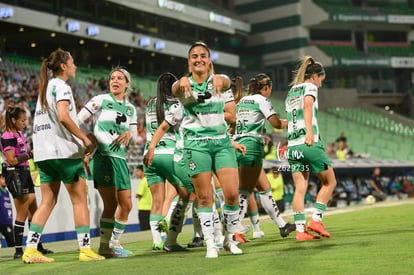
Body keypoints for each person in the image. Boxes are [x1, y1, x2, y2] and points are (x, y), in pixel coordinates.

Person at [22, 49, 104, 263]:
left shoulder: (45, 88)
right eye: (73, 62)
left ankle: (30, 250)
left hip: (43, 154)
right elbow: (63, 116)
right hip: (64, 153)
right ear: (63, 66)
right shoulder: (62, 87)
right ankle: (85, 249)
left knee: (47, 201)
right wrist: (84, 140)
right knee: (79, 201)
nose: (75, 66)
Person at [172, 41, 243, 258]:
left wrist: (222, 79)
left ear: (209, 60)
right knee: (204, 198)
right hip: (196, 145)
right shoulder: (183, 85)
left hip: (222, 143)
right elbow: (174, 89)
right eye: (194, 56)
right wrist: (182, 80)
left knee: (231, 195)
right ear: (189, 61)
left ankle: (229, 239)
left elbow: (229, 86)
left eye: (203, 55)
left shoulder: (219, 81)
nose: (199, 59)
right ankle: (211, 242)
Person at [78, 67, 137, 258]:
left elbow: (134, 138)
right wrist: (85, 139)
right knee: (111, 205)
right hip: (103, 158)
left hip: (120, 159)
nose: (115, 81)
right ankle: (105, 247)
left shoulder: (131, 109)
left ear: (127, 84)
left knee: (127, 205)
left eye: (120, 78)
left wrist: (129, 133)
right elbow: (78, 119)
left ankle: (114, 243)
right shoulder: (101, 100)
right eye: (112, 78)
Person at [233, 73, 295, 238]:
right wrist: (294, 122)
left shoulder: (242, 101)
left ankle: (282, 226)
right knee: (244, 192)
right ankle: (234, 230)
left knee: (264, 188)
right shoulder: (261, 100)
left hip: (238, 147)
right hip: (251, 147)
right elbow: (277, 124)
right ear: (266, 88)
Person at [285, 55, 337, 241]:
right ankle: (316, 220)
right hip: (309, 143)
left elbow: (290, 118)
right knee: (330, 182)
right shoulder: (310, 87)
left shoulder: (291, 92)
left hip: (293, 147)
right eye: (321, 78)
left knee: (300, 188)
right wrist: (309, 133)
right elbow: (307, 107)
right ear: (315, 76)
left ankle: (300, 231)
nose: (321, 83)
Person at [1, 107, 52, 259]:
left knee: (34, 211)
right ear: (13, 120)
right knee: (22, 212)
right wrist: (30, 154)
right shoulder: (8, 135)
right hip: (14, 174)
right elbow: (12, 160)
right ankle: (18, 250)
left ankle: (38, 246)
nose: (25, 123)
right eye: (22, 121)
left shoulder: (19, 133)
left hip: (24, 172)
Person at [143, 72, 185, 251]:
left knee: (156, 201)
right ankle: (168, 219)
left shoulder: (150, 103)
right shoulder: (176, 104)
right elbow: (168, 126)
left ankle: (156, 241)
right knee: (185, 190)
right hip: (168, 152)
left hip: (148, 156)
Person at [0, 156, 14, 247]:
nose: (5, 180)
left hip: (8, 221)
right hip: (2, 222)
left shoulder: (7, 192)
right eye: (2, 178)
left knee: (12, 243)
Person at [135, 165, 151, 231]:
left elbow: (138, 194)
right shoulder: (149, 180)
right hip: (150, 207)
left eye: (138, 171)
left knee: (144, 228)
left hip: (143, 208)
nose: (136, 173)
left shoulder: (143, 181)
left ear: (143, 171)